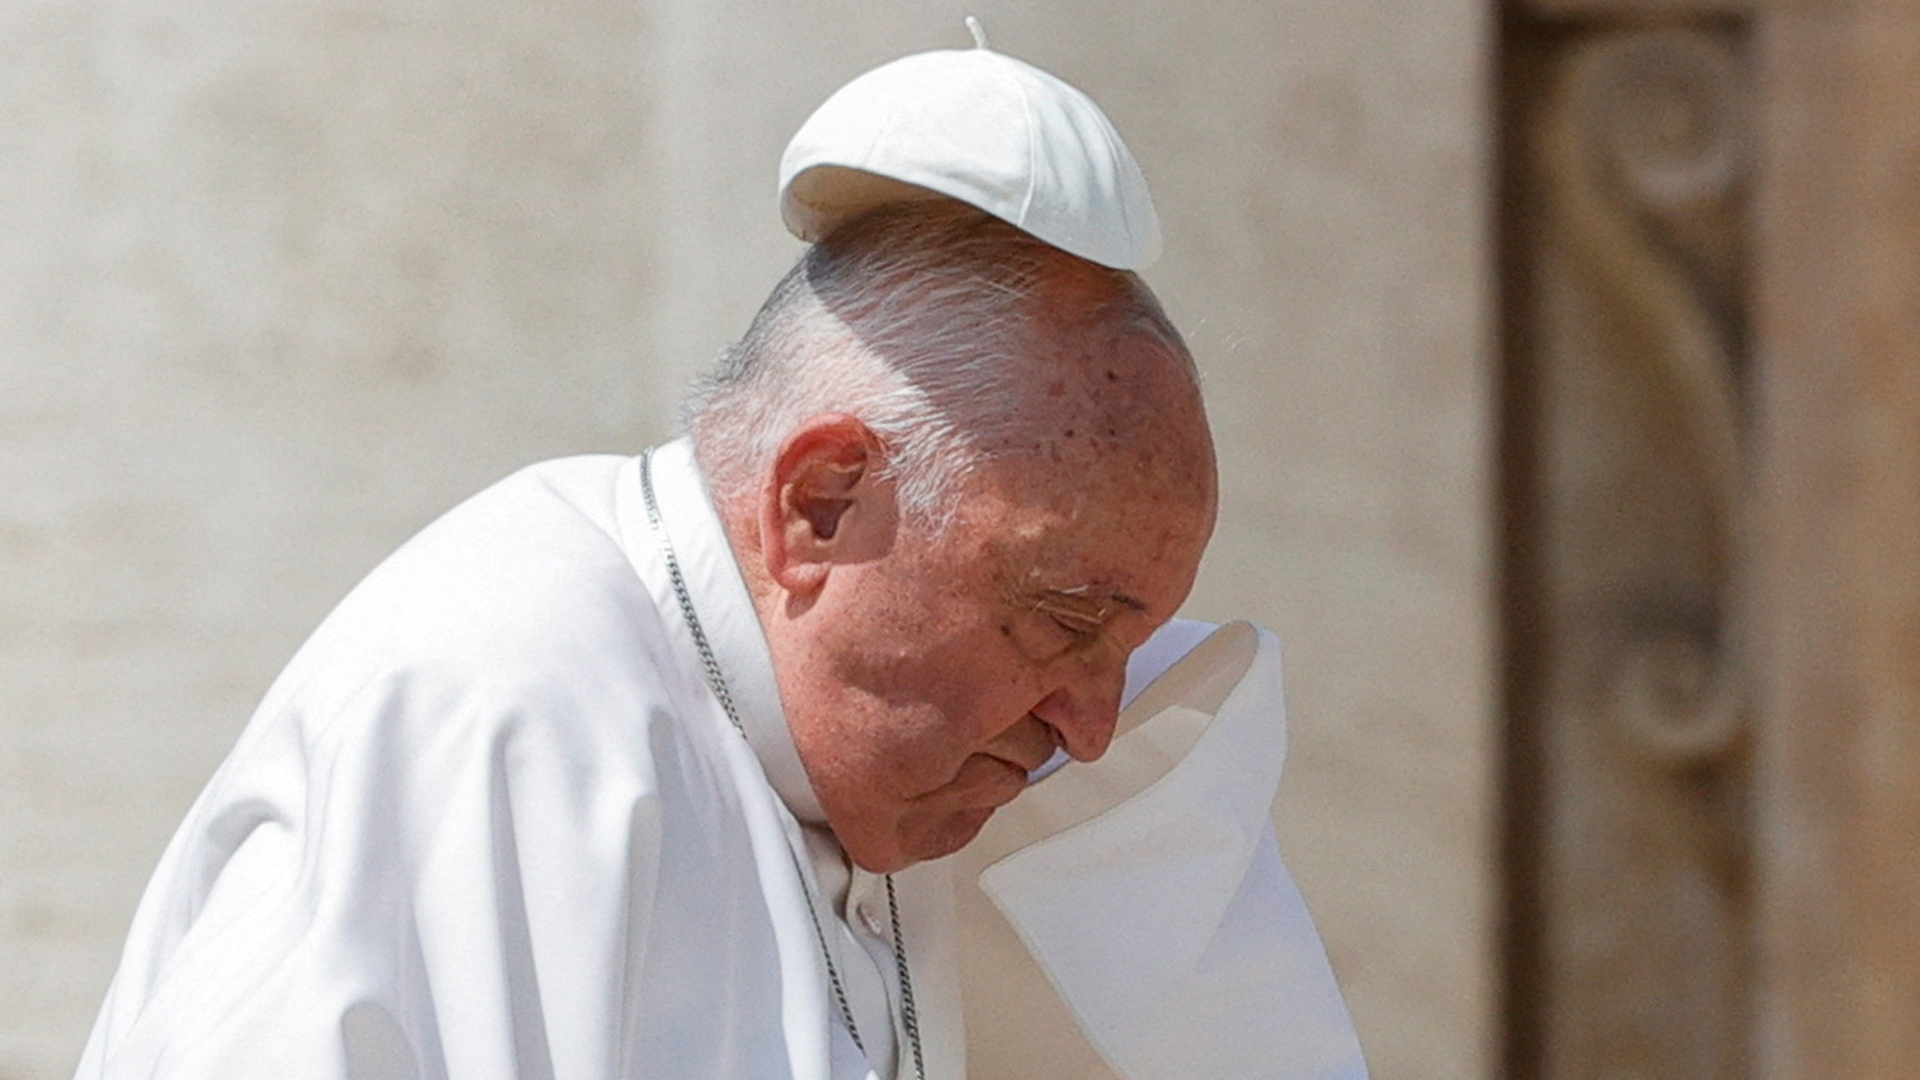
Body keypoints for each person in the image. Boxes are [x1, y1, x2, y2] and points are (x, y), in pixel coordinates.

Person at [76, 38, 1367, 1080]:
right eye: (1063, 619)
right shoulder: (507, 703)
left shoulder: (892, 769)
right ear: (820, 505)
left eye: (1128, 647)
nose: (1089, 731)